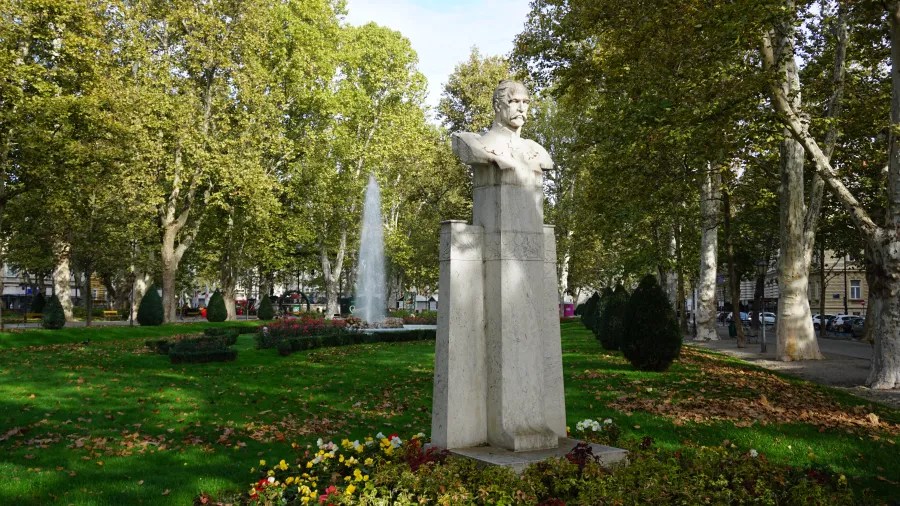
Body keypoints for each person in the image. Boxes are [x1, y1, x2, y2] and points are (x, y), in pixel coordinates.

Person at [451, 80, 553, 175]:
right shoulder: (472, 143)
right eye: (514, 101)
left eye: (525, 102)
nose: (521, 109)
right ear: (498, 106)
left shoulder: (537, 150)